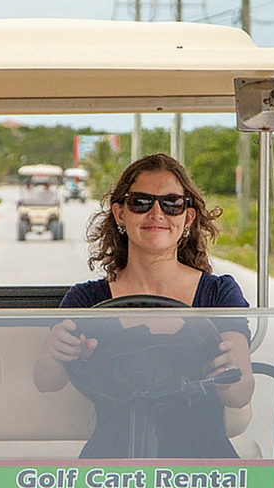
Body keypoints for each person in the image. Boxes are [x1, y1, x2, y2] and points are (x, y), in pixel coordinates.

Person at [33, 153, 254, 459]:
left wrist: (226, 370)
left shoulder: (218, 294)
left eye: (171, 203)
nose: (156, 214)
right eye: (140, 202)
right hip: (113, 466)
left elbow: (239, 394)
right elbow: (46, 380)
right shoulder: (86, 301)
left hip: (204, 467)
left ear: (187, 217)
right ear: (120, 214)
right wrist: (60, 353)